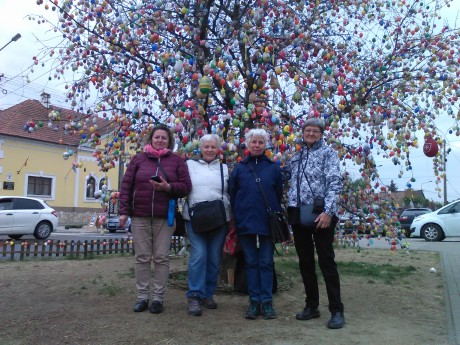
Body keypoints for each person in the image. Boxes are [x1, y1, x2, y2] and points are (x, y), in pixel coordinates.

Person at [119, 124, 192, 314]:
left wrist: (169, 188)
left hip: (164, 218)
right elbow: (126, 186)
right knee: (142, 257)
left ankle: (158, 298)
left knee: (161, 258)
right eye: (157, 137)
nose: (160, 140)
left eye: (164, 138)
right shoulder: (138, 159)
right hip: (140, 217)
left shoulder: (176, 161)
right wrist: (123, 212)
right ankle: (142, 297)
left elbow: (186, 187)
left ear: (170, 141)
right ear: (151, 139)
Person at [284, 117, 345, 329]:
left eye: (315, 131)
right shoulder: (297, 156)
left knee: (327, 262)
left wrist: (328, 212)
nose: (310, 134)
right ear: (303, 132)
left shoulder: (328, 154)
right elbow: (284, 176)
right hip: (299, 215)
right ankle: (312, 305)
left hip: (322, 216)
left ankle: (337, 310)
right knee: (305, 262)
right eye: (307, 130)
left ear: (321, 133)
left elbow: (335, 183)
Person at [229, 128, 283, 320]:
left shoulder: (273, 168)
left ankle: (267, 302)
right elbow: (233, 194)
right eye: (254, 142)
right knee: (251, 263)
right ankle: (254, 302)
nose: (257, 145)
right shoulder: (240, 168)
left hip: (267, 223)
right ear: (248, 144)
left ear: (265, 145)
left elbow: (277, 194)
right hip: (246, 223)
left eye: (261, 142)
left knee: (266, 263)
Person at [181, 134, 231, 316]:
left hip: (219, 219)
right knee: (199, 254)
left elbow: (231, 192)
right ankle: (194, 295)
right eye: (206, 147)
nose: (209, 150)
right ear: (200, 149)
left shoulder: (224, 168)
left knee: (213, 258)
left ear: (218, 149)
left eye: (213, 147)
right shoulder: (189, 165)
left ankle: (208, 294)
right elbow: (181, 186)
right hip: (195, 218)